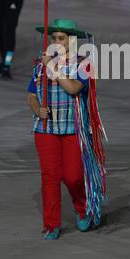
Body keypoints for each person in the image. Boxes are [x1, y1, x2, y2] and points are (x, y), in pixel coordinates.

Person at [28, 19, 106, 240]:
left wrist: (53, 66)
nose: (56, 42)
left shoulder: (85, 64)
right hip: (46, 129)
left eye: (61, 38)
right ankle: (51, 224)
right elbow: (31, 95)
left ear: (71, 40)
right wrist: (37, 109)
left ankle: (82, 209)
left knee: (72, 177)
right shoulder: (40, 66)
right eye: (54, 38)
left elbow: (73, 88)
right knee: (50, 176)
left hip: (73, 129)